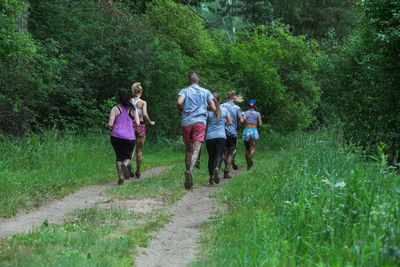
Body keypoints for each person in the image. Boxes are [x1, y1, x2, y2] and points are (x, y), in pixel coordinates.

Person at [177, 70, 216, 190]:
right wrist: (206, 106)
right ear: (198, 80)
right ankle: (190, 171)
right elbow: (213, 108)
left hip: (186, 122)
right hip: (199, 122)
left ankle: (187, 177)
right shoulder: (206, 92)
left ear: (188, 81)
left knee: (188, 150)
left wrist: (181, 110)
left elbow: (179, 102)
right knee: (196, 149)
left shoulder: (184, 90)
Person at [108, 88, 140, 185]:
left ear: (119, 97)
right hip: (129, 137)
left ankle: (121, 179)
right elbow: (138, 123)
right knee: (128, 157)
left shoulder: (115, 108)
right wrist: (131, 126)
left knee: (119, 157)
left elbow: (110, 124)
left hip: (116, 136)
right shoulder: (132, 109)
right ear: (128, 97)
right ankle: (126, 164)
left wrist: (117, 127)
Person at [206, 93, 232, 185]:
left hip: (210, 136)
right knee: (219, 155)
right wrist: (222, 123)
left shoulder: (208, 111)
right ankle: (217, 168)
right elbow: (230, 122)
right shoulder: (224, 110)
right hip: (221, 136)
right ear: (219, 100)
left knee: (211, 157)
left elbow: (204, 121)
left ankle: (211, 178)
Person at [130, 82, 155, 179]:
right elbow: (144, 114)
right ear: (140, 91)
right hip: (141, 125)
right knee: (139, 150)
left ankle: (129, 167)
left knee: (131, 149)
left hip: (131, 125)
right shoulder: (143, 102)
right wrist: (150, 121)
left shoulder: (129, 101)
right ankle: (138, 172)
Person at [220, 90, 244, 178]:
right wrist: (239, 127)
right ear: (234, 98)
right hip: (232, 133)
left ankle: (223, 162)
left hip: (221, 132)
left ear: (226, 97)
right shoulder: (237, 108)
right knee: (231, 152)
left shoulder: (221, 106)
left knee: (222, 151)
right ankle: (226, 171)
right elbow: (241, 119)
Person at [242, 99, 262, 170]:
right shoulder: (257, 114)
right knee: (253, 147)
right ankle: (251, 156)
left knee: (247, 148)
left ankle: (248, 165)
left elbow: (241, 121)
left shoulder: (244, 113)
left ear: (248, 106)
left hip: (246, 131)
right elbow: (260, 124)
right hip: (254, 130)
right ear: (255, 106)